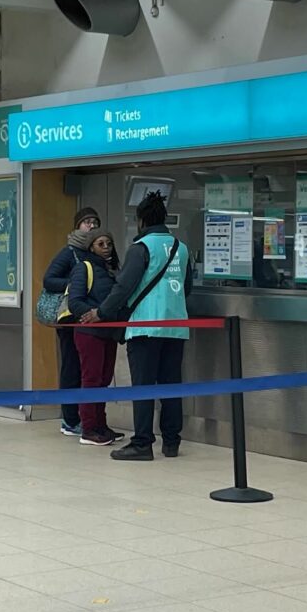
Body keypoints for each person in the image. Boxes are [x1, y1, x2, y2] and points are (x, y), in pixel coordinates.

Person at [84, 192, 192, 461]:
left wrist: (102, 312)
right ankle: (171, 441)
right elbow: (186, 288)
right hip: (176, 326)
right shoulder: (181, 248)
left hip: (145, 327)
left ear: (141, 220)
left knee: (143, 387)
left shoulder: (140, 248)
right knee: (171, 386)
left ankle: (142, 443)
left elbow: (124, 287)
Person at [42, 206, 101, 437]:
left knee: (88, 370)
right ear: (77, 226)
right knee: (71, 367)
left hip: (89, 320)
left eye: (95, 222)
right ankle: (69, 419)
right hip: (69, 318)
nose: (91, 225)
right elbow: (49, 280)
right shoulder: (69, 252)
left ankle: (89, 419)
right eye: (87, 222)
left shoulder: (97, 251)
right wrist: (75, 283)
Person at [67, 229, 125, 446]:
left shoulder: (113, 270)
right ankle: (88, 428)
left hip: (109, 333)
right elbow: (75, 301)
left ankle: (101, 424)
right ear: (91, 247)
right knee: (91, 379)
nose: (106, 247)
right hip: (89, 333)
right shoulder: (84, 268)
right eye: (101, 244)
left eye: (109, 243)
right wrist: (95, 315)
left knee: (104, 379)